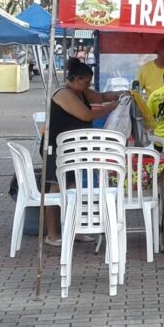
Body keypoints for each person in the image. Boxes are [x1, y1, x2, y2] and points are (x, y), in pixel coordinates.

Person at [44, 58, 126, 246]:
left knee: (73, 189)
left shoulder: (81, 91)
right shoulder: (64, 94)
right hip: (57, 148)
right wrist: (110, 108)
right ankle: (52, 234)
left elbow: (101, 97)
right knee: (56, 189)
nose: (88, 86)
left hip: (73, 149)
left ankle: (74, 229)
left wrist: (119, 94)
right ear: (76, 78)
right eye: (86, 82)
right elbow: (86, 114)